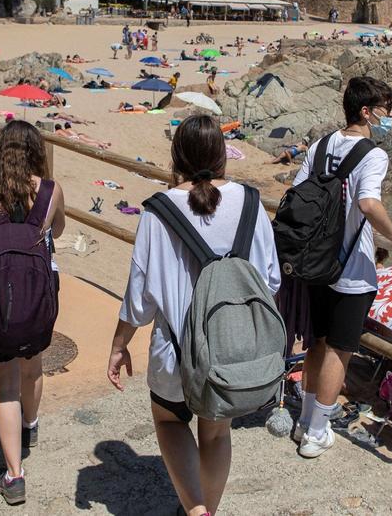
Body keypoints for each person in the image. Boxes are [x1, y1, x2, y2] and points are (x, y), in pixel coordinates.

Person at [107, 115, 280, 516]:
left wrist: (119, 345)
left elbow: (140, 297)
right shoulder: (251, 202)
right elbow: (270, 281)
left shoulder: (158, 211)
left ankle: (196, 510)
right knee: (217, 432)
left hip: (176, 351)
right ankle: (206, 511)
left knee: (169, 423)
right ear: (222, 155)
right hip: (232, 352)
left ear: (176, 157)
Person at [291, 76, 392, 459]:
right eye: (387, 109)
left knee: (315, 344)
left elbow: (296, 194)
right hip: (350, 270)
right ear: (366, 112)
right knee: (340, 350)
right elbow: (368, 203)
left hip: (313, 263)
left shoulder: (319, 146)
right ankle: (317, 432)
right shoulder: (373, 154)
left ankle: (305, 419)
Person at [0, 121, 66, 506]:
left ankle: (14, 476)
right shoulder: (51, 192)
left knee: (4, 385)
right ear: (37, 151)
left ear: (0, 149)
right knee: (32, 366)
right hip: (37, 302)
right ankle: (30, 425)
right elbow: (59, 230)